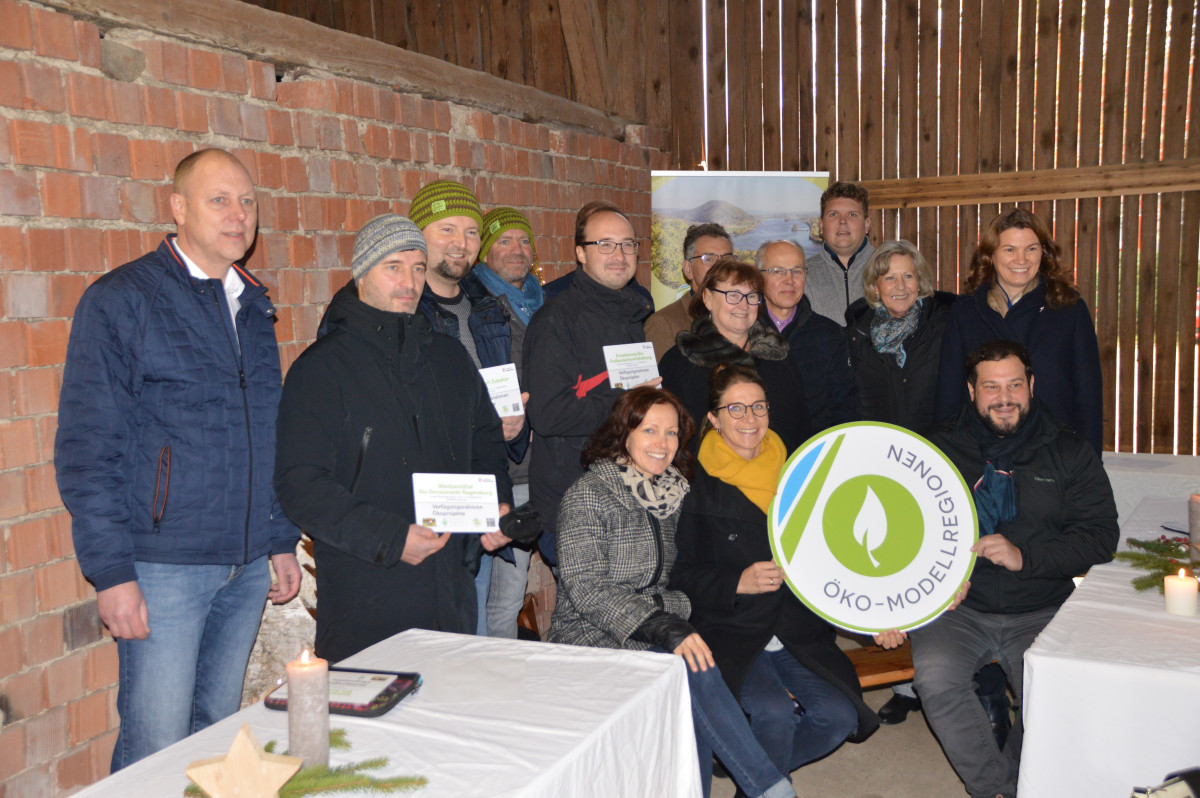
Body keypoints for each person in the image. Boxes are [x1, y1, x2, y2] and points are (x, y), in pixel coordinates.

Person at [54, 148, 302, 770]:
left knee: (214, 737)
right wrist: (111, 573)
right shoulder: (122, 300)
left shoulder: (252, 304)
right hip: (163, 568)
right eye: (219, 200)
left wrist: (277, 537)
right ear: (178, 208)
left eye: (247, 202)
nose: (238, 215)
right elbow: (88, 446)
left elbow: (267, 430)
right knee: (155, 743)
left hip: (244, 566)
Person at [273, 214, 513, 663]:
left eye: (418, 267)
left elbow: (485, 441)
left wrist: (494, 506)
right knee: (373, 724)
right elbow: (300, 482)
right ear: (362, 274)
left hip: (453, 586)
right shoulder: (322, 369)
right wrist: (390, 538)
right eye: (393, 267)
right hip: (368, 589)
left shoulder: (449, 358)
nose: (410, 281)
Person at [549, 387, 797, 798]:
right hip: (590, 634)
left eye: (671, 433)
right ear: (623, 434)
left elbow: (684, 574)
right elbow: (586, 589)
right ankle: (767, 785)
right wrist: (662, 624)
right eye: (649, 431)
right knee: (687, 668)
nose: (662, 444)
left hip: (659, 623)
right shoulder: (589, 495)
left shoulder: (673, 494)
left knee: (690, 680)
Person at [909, 339, 1118, 798]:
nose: (1005, 397)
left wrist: (1027, 557)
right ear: (971, 391)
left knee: (1050, 693)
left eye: (1015, 385)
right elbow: (906, 533)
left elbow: (1101, 537)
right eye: (991, 386)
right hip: (959, 610)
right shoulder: (933, 450)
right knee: (934, 677)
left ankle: (1017, 780)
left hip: (1041, 607)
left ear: (1032, 385)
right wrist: (933, 583)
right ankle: (997, 790)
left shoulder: (1068, 449)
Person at [672, 363, 875, 783]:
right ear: (713, 417)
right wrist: (735, 583)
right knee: (774, 711)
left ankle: (758, 777)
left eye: (759, 406)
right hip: (731, 629)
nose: (750, 418)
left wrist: (875, 621)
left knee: (838, 717)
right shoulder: (691, 482)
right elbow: (676, 574)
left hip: (797, 626)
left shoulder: (802, 472)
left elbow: (837, 556)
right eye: (736, 409)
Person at [843, 240, 959, 725]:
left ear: (922, 282)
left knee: (932, 568)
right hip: (880, 469)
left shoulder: (945, 325)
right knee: (892, 566)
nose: (899, 286)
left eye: (909, 276)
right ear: (874, 285)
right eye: (889, 277)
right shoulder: (857, 334)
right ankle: (906, 684)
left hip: (936, 466)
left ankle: (931, 679)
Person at [409, 181, 528, 636]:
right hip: (422, 508)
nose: (461, 243)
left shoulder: (486, 309)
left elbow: (501, 398)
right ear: (418, 232)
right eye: (447, 229)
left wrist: (517, 425)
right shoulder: (403, 311)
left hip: (479, 496)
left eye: (471, 232)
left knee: (473, 635)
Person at [523, 200, 657, 564]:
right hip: (577, 507)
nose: (620, 254)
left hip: (628, 497)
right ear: (581, 253)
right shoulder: (557, 319)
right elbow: (548, 414)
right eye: (606, 244)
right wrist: (627, 403)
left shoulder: (631, 313)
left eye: (628, 244)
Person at [935, 208, 1103, 454]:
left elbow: (1088, 398)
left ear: (1043, 253)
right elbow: (949, 396)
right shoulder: (965, 312)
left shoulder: (1069, 309)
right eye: (1010, 249)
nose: (1021, 260)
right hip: (983, 454)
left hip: (1053, 455)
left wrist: (1090, 465)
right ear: (991, 255)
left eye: (1031, 249)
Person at [473, 206, 544, 638]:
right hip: (501, 468)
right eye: (503, 241)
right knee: (488, 594)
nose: (516, 250)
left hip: (538, 465)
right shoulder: (480, 308)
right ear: (484, 253)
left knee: (512, 591)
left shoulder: (543, 302)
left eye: (523, 241)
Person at [660, 258, 812, 452]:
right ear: (707, 298)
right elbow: (672, 437)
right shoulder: (681, 362)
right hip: (706, 477)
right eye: (733, 295)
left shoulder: (778, 357)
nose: (743, 306)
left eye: (751, 296)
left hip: (776, 476)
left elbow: (800, 428)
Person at [756, 239, 858, 432]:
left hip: (813, 452)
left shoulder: (830, 335)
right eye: (778, 271)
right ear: (759, 278)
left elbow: (844, 408)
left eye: (797, 271)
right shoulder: (741, 333)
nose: (789, 280)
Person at [645, 222, 734, 361]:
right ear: (688, 269)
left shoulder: (743, 315)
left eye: (727, 259)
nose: (720, 266)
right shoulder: (664, 323)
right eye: (709, 259)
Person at [804, 181, 875, 324]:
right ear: (822, 226)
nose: (842, 221)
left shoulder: (889, 269)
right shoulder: (802, 275)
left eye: (852, 214)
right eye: (834, 214)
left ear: (867, 224)